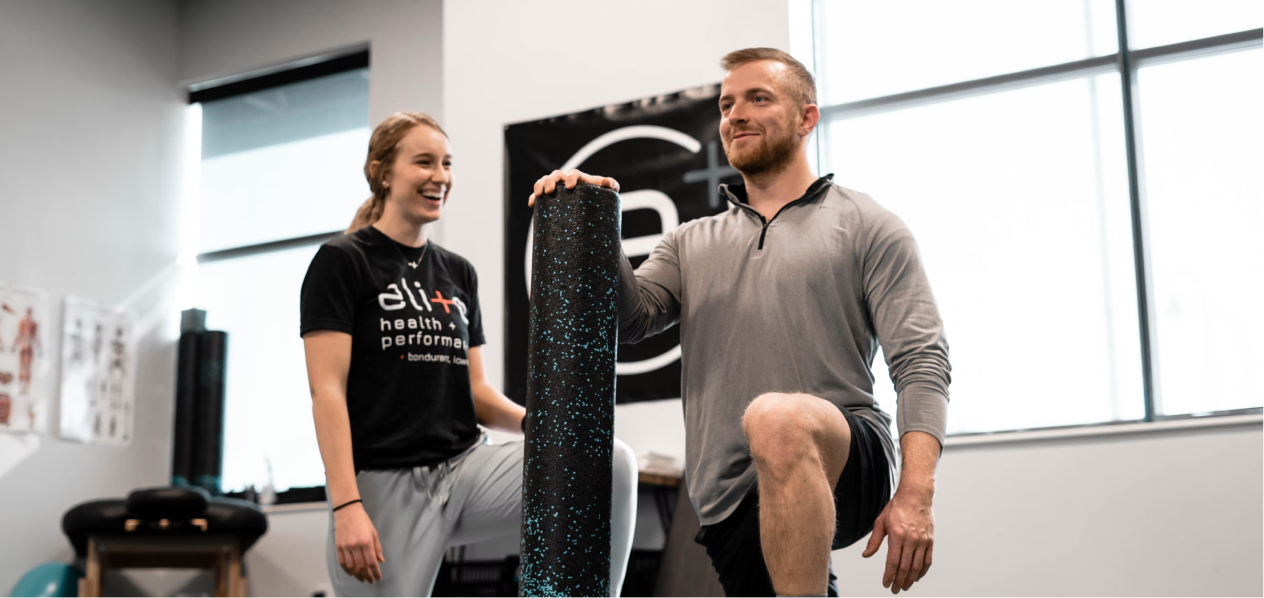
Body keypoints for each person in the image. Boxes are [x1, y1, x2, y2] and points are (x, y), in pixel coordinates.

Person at [529, 48, 950, 598]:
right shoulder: (690, 242)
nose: (736, 115)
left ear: (806, 117)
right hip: (727, 488)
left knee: (778, 420)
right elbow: (631, 321)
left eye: (758, 98)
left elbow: (921, 361)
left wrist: (917, 494)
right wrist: (592, 219)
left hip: (846, 452)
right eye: (727, 105)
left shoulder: (867, 225)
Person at [302, 112, 638, 598]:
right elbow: (327, 390)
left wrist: (542, 426)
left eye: (447, 163)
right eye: (424, 162)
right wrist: (346, 505)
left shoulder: (457, 273)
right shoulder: (342, 261)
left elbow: (475, 391)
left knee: (609, 461)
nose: (440, 176)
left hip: (465, 469)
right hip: (383, 481)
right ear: (381, 172)